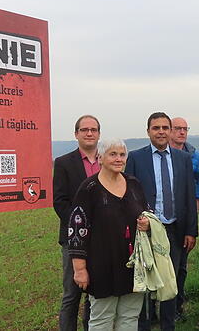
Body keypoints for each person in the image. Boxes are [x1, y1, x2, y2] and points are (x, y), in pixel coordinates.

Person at [67, 138, 151, 330]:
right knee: (101, 318)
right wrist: (80, 269)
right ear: (100, 158)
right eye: (113, 154)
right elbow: (77, 231)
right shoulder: (89, 189)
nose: (118, 159)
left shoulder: (134, 184)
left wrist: (147, 223)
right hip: (101, 267)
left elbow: (148, 212)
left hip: (133, 265)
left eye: (122, 154)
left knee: (130, 316)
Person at [125, 112, 197, 331]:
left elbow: (189, 194)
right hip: (146, 230)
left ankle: (168, 325)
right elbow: (129, 195)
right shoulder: (136, 158)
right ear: (148, 131)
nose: (161, 132)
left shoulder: (183, 158)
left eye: (165, 127)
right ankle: (144, 325)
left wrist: (191, 231)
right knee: (146, 284)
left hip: (174, 230)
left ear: (170, 131)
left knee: (169, 282)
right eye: (156, 128)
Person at [53, 114, 100, 331]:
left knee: (94, 293)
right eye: (84, 130)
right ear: (76, 134)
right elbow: (60, 202)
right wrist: (80, 226)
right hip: (73, 240)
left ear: (98, 134)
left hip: (102, 238)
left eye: (93, 129)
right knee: (72, 294)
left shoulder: (107, 160)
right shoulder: (64, 163)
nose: (89, 133)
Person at [169, 116, 199, 321]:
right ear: (169, 130)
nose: (182, 132)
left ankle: (177, 307)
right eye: (177, 128)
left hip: (184, 218)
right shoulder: (161, 153)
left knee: (181, 265)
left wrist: (198, 199)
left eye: (185, 128)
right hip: (161, 218)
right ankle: (152, 310)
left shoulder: (193, 154)